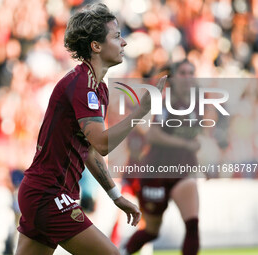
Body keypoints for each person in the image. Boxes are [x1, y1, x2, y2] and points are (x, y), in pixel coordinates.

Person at [15, 3, 166, 255]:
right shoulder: (82, 84)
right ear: (96, 46)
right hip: (49, 194)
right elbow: (103, 144)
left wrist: (116, 196)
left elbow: (91, 152)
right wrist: (140, 112)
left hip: (44, 193)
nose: (124, 43)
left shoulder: (98, 88)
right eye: (117, 36)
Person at [123, 59, 200, 255]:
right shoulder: (164, 101)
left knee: (192, 225)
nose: (188, 77)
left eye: (191, 72)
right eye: (183, 73)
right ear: (173, 78)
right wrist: (186, 143)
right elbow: (152, 134)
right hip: (155, 173)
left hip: (181, 172)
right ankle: (121, 252)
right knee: (151, 231)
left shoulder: (197, 103)